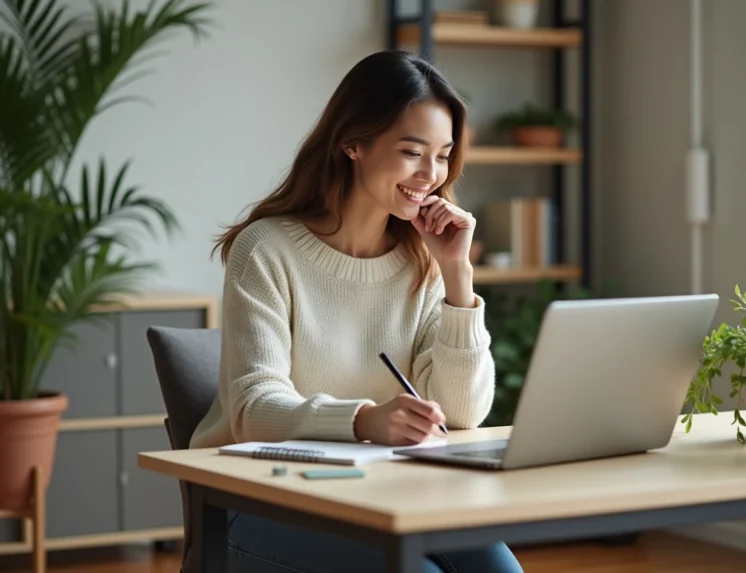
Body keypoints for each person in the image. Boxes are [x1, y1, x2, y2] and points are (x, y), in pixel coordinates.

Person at [189, 49, 524, 573]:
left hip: (386, 492)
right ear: (352, 144)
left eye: (443, 154)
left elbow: (462, 413)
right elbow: (252, 408)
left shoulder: (424, 258)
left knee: (499, 570)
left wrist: (458, 277)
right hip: (259, 502)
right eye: (413, 152)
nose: (431, 175)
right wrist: (365, 421)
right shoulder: (267, 249)